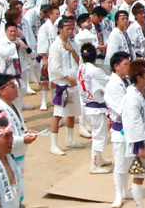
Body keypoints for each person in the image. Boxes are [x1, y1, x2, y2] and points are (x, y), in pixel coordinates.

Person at [121, 59, 145, 208]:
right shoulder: (131, 96)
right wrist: (140, 145)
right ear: (139, 77)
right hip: (141, 140)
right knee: (139, 175)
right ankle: (139, 206)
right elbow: (133, 122)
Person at [48, 17, 83, 155]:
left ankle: (69, 139)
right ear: (60, 29)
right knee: (58, 114)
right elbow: (54, 68)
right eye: (67, 29)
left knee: (71, 113)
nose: (70, 31)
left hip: (73, 83)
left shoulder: (73, 43)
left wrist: (72, 50)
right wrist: (68, 78)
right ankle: (53, 144)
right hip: (63, 84)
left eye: (72, 29)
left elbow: (79, 60)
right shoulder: (55, 46)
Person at [0, 74, 37, 171]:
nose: (16, 88)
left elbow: (16, 128)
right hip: (8, 158)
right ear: (2, 91)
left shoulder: (12, 106)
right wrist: (23, 139)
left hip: (17, 155)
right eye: (12, 86)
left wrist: (25, 132)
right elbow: (0, 140)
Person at [77, 43, 112, 173]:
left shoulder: (81, 67)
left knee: (98, 135)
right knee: (99, 136)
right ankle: (94, 165)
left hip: (88, 106)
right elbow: (108, 82)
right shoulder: (95, 70)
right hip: (95, 107)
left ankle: (99, 159)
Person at [103, 52, 131, 208]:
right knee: (120, 163)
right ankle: (118, 194)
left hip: (130, 126)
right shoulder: (112, 85)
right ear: (116, 66)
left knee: (128, 161)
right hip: (120, 127)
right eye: (125, 64)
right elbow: (121, 109)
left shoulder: (125, 81)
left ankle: (125, 190)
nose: (128, 67)